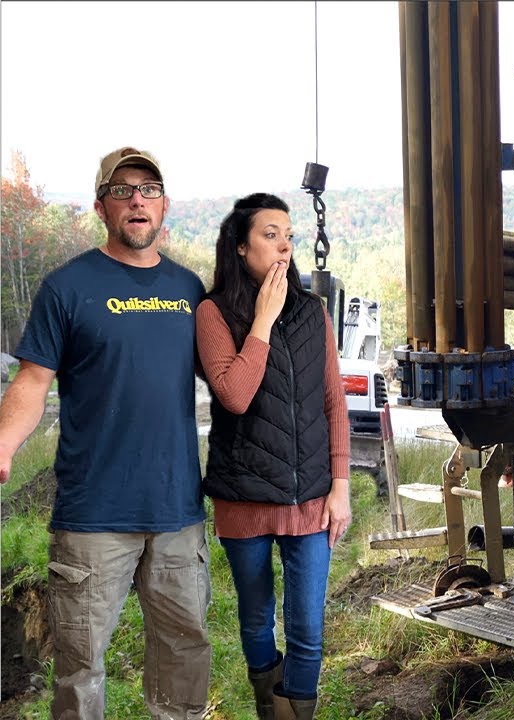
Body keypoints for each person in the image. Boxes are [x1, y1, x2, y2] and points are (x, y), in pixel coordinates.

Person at [0, 147, 211, 719]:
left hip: (176, 513)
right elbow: (32, 381)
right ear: (101, 207)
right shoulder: (67, 287)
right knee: (80, 669)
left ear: (165, 205)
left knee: (184, 654)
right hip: (93, 516)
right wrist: (3, 444)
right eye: (122, 190)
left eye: (149, 189)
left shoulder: (189, 290)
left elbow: (230, 376)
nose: (137, 199)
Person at [196, 192, 351, 720]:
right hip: (244, 498)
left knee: (307, 628)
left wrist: (340, 487)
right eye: (270, 234)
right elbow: (235, 396)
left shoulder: (313, 313)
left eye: (288, 235)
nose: (284, 245)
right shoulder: (214, 313)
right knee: (257, 620)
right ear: (240, 247)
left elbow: (333, 403)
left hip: (309, 499)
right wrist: (261, 320)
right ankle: (270, 708)